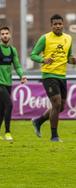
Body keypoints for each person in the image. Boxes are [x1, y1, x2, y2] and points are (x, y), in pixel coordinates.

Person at [30, 14, 76, 142]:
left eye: (60, 24)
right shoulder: (45, 38)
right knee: (56, 103)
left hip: (62, 75)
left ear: (63, 24)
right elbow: (33, 55)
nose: (58, 26)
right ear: (51, 25)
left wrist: (74, 60)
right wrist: (43, 59)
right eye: (55, 24)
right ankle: (54, 136)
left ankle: (38, 121)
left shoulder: (68, 38)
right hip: (49, 75)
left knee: (61, 107)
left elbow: (68, 58)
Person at [0, 26, 27, 141]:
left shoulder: (12, 50)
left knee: (2, 108)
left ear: (10, 35)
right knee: (9, 104)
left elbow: (17, 66)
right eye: (2, 34)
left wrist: (22, 75)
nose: (5, 35)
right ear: (0, 36)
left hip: (8, 83)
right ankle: (8, 132)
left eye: (6, 33)